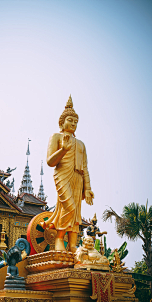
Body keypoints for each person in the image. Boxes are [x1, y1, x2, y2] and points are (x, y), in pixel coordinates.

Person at [41, 95, 94, 252]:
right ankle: (59, 239)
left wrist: (88, 189)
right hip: (62, 174)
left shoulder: (81, 144)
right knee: (68, 206)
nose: (73, 124)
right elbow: (50, 162)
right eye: (70, 120)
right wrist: (63, 149)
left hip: (78, 178)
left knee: (76, 212)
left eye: (75, 122)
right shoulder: (56, 137)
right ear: (62, 122)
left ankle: (72, 244)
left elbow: (85, 167)